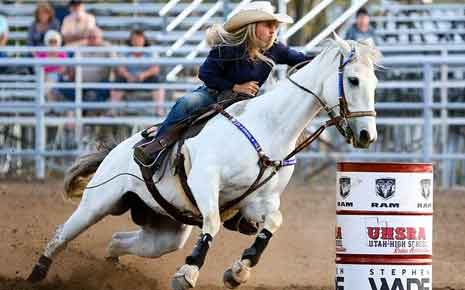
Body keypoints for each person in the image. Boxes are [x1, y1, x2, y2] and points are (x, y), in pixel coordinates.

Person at [134, 1, 312, 171]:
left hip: (247, 103)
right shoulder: (228, 47)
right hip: (213, 94)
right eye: (267, 25)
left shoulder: (276, 49)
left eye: (275, 26)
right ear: (252, 26)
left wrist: (331, 60)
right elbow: (205, 74)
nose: (273, 31)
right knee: (186, 103)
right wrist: (235, 87)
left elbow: (301, 60)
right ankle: (155, 150)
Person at [110, 29, 165, 116]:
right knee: (118, 80)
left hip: (145, 79)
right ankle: (112, 111)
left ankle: (159, 111)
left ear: (144, 40)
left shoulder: (150, 51)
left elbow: (155, 69)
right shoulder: (125, 51)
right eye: (135, 39)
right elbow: (120, 67)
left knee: (157, 80)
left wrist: (143, 75)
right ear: (131, 41)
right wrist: (128, 76)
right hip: (129, 79)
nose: (137, 41)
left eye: (139, 39)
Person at [34, 30, 67, 101]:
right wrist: (45, 75)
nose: (53, 44)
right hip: (44, 78)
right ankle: (50, 107)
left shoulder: (62, 54)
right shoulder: (41, 54)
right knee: (46, 83)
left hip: (57, 78)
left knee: (51, 80)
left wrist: (53, 73)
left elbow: (63, 69)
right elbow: (38, 69)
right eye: (51, 41)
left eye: (55, 41)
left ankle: (50, 106)